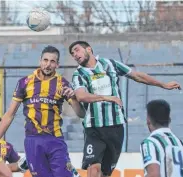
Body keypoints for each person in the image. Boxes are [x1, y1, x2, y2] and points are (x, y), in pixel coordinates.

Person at [69, 41, 181, 177]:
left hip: (116, 126)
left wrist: (163, 84)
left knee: (105, 173)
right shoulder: (78, 74)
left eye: (77, 50)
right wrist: (107, 98)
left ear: (89, 49)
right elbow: (81, 96)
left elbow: (136, 75)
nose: (75, 55)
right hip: (94, 127)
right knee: (94, 169)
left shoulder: (111, 64)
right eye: (72, 54)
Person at [0, 45, 85, 177]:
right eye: (45, 60)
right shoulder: (25, 82)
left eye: (52, 61)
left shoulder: (62, 83)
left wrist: (74, 98)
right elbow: (9, 114)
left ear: (57, 65)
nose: (48, 64)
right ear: (40, 61)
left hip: (55, 140)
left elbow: (81, 114)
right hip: (33, 141)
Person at [140, 99, 183, 177]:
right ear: (169, 120)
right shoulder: (179, 142)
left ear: (148, 121)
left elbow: (154, 174)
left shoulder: (150, 142)